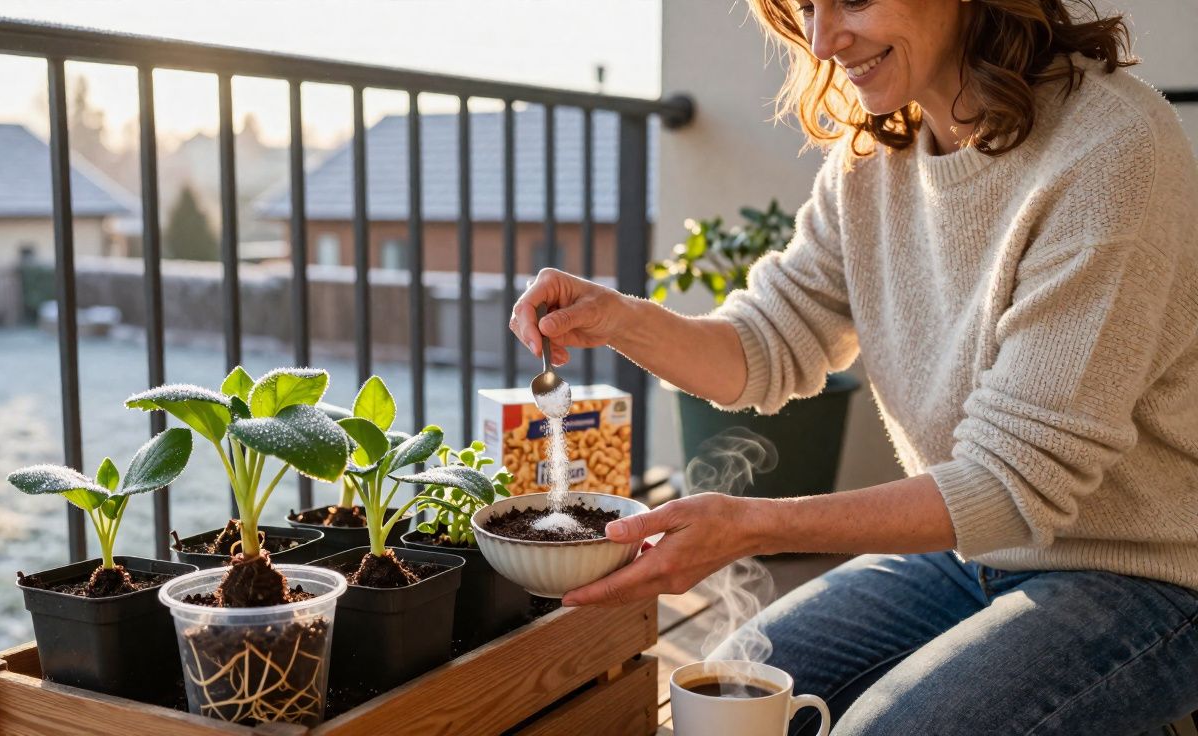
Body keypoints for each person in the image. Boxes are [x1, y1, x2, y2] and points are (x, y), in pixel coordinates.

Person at [508, 0, 1198, 733]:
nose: (822, 39)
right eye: (807, 6)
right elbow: (766, 344)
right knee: (735, 693)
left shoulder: (1111, 148)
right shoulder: (875, 163)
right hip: (970, 557)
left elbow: (1012, 483)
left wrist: (752, 526)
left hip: (1147, 577)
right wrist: (618, 318)